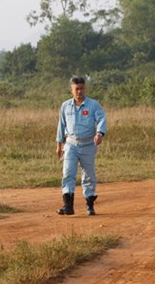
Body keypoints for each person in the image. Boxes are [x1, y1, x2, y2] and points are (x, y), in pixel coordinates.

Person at [56, 76, 107, 216]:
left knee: (88, 175)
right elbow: (61, 125)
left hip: (88, 144)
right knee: (68, 173)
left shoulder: (93, 105)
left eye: (82, 89)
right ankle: (68, 206)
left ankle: (89, 205)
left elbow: (101, 119)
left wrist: (100, 134)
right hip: (71, 144)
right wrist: (59, 145)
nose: (79, 92)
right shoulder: (65, 106)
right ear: (71, 90)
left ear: (85, 89)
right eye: (76, 89)